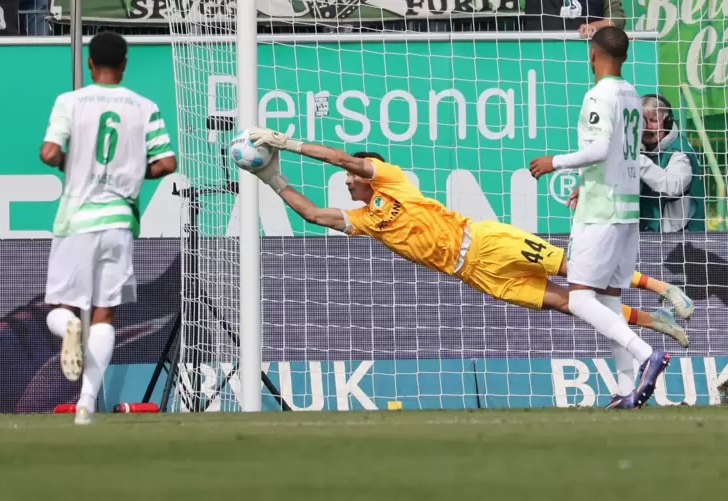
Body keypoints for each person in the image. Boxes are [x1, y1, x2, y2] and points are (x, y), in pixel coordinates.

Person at [242, 123, 690, 351]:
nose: (346, 181)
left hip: (484, 240)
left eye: (351, 177)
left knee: (579, 271)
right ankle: (657, 323)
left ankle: (662, 287)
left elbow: (346, 159)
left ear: (369, 173)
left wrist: (287, 141)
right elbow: (315, 215)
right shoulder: (364, 219)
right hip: (474, 273)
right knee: (566, 301)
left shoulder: (391, 180)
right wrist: (271, 177)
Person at [39, 32, 177, 425]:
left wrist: (69, 161)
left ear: (88, 62)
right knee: (104, 315)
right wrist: (133, 173)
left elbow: (49, 152)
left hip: (77, 218)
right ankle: (86, 404)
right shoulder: (144, 106)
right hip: (119, 220)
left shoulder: (71, 102)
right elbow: (167, 163)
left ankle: (68, 326)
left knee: (63, 307)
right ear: (125, 63)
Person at [529, 27, 668, 410]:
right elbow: (623, 153)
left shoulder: (598, 94)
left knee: (578, 299)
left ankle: (645, 355)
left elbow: (601, 147)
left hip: (601, 211)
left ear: (593, 54)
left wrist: (553, 163)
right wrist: (585, 184)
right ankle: (626, 389)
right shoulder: (631, 96)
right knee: (608, 300)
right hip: (625, 208)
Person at [640, 93, 705, 233]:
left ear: (667, 123)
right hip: (647, 230)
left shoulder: (680, 152)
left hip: (681, 235)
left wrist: (638, 161)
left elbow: (672, 186)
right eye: (643, 121)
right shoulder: (638, 146)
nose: (647, 127)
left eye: (653, 120)